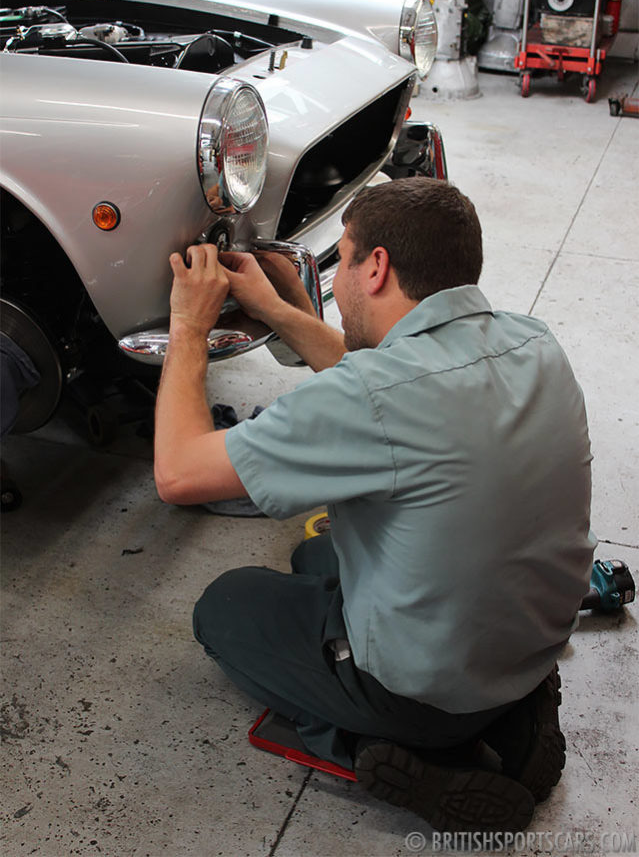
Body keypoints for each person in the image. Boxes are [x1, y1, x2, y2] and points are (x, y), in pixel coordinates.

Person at [153, 177, 595, 833]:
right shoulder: (533, 341)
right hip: (529, 644)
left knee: (226, 605)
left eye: (345, 259)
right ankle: (517, 712)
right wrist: (275, 310)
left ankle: (406, 753)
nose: (340, 282)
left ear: (377, 266)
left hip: (422, 691)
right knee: (314, 552)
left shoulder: (377, 393)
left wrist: (188, 323)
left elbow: (179, 472)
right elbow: (375, 383)